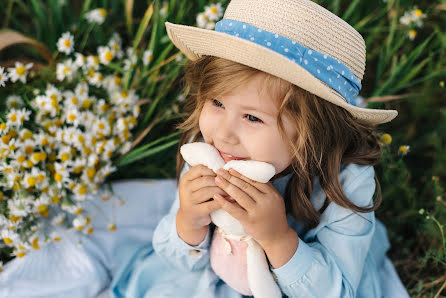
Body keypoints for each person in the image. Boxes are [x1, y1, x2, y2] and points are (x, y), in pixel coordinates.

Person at [0, 0, 410, 297]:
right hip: (210, 275)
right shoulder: (209, 150)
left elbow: (335, 291)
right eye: (216, 103)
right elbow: (172, 254)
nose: (223, 133)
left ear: (313, 133)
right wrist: (189, 223)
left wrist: (279, 239)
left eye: (252, 118)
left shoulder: (348, 184)